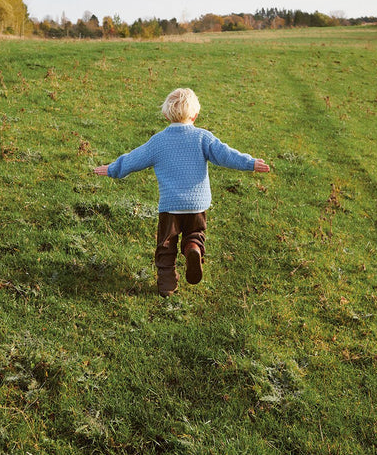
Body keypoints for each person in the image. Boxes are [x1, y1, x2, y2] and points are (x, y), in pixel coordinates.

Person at [94, 87, 270, 297]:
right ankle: (193, 247)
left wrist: (112, 169)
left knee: (166, 245)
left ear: (166, 115)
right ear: (195, 115)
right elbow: (225, 154)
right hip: (197, 204)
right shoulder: (203, 137)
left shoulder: (158, 141)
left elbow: (134, 159)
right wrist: (250, 163)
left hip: (170, 205)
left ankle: (167, 284)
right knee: (195, 233)